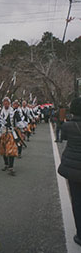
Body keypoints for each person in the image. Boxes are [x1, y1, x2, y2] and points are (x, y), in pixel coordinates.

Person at [57, 97, 81, 247]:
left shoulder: (67, 126)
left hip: (73, 168)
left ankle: (80, 234)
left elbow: (64, 138)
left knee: (77, 201)